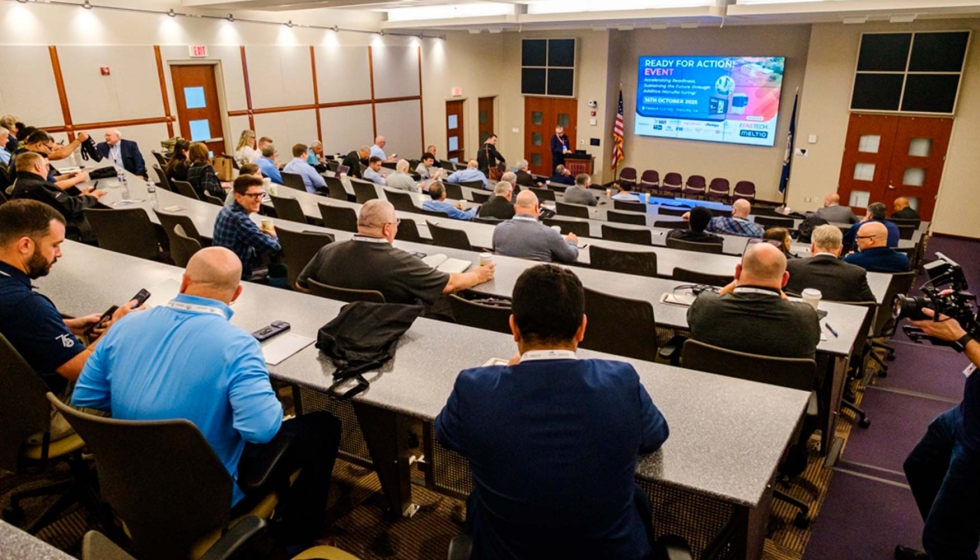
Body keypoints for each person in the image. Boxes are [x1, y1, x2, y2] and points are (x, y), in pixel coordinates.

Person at [72, 247, 341, 552]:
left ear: (184, 281)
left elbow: (88, 397)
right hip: (205, 500)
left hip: (125, 483)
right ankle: (297, 541)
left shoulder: (124, 326)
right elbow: (262, 431)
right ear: (237, 293)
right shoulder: (239, 346)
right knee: (323, 426)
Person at [435, 264, 669, 559]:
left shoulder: (474, 388)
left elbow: (445, 433)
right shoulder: (621, 381)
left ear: (513, 327)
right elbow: (655, 435)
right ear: (582, 328)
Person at [0, 200, 141, 441]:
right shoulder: (26, 305)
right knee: (136, 377)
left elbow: (16, 329)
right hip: (43, 417)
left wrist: (66, 326)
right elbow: (83, 371)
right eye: (54, 245)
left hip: (11, 406)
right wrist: (116, 327)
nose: (59, 253)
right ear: (25, 245)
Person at [894, 310, 980, 560]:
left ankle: (947, 549)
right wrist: (965, 314)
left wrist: (962, 338)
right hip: (968, 413)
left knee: (945, 539)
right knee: (920, 467)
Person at [297, 200, 495, 306]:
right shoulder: (401, 263)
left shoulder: (327, 250)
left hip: (335, 326)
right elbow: (449, 284)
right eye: (396, 224)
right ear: (386, 229)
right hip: (386, 331)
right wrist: (477, 275)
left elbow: (301, 284)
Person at [687, 242, 821, 359]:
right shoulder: (805, 317)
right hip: (779, 388)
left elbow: (713, 298)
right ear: (785, 279)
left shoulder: (706, 305)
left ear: (737, 272)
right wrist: (777, 286)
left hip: (706, 384)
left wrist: (736, 282)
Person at [11, 153, 105, 243]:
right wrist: (92, 197)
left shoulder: (21, 183)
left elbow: (58, 203)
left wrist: (81, 196)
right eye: (46, 166)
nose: (47, 170)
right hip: (68, 231)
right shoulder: (38, 187)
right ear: (38, 167)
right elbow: (71, 207)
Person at [213, 175, 282, 279]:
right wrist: (274, 235)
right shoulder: (240, 221)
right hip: (239, 275)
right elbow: (274, 248)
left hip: (223, 269)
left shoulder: (226, 210)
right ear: (238, 197)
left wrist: (256, 231)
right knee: (283, 270)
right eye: (253, 195)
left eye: (260, 194)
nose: (259, 199)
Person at [785, 224, 875, 302]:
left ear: (812, 246)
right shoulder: (856, 273)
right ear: (840, 249)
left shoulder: (791, 266)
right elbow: (871, 304)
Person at [493, 190, 579, 264]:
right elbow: (570, 257)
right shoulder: (549, 234)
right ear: (536, 208)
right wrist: (572, 242)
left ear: (515, 208)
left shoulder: (499, 229)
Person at [9, 130, 90, 190]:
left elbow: (49, 180)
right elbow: (53, 186)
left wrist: (68, 176)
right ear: (39, 145)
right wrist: (79, 178)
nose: (51, 152)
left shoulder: (21, 151)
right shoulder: (31, 159)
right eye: (50, 148)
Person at [843, 221, 910, 273]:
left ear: (871, 240)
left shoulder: (852, 261)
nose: (856, 240)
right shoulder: (903, 261)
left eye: (858, 237)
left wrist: (849, 257)